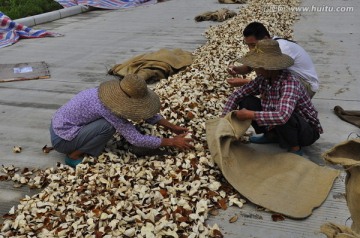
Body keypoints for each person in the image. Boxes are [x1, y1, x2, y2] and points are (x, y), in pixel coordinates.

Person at [50, 74, 194, 167]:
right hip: (62, 139)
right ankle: (73, 155)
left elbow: (142, 111)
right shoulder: (107, 107)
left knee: (107, 124)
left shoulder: (107, 94)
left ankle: (83, 145)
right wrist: (171, 142)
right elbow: (135, 139)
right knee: (107, 126)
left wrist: (171, 127)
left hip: (59, 125)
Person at [222, 39, 323, 156]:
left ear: (267, 67)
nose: (254, 69)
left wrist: (250, 115)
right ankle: (271, 135)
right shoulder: (263, 79)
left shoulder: (289, 82)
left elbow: (282, 115)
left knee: (286, 116)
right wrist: (223, 119)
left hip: (305, 132)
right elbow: (238, 94)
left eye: (257, 66)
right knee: (246, 101)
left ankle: (295, 147)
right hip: (279, 123)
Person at [227, 22, 319, 98]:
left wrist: (245, 82)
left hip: (307, 86)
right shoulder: (267, 46)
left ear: (266, 38)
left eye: (253, 45)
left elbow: (272, 76)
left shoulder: (280, 48)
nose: (250, 49)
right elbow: (252, 66)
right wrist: (237, 70)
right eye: (248, 45)